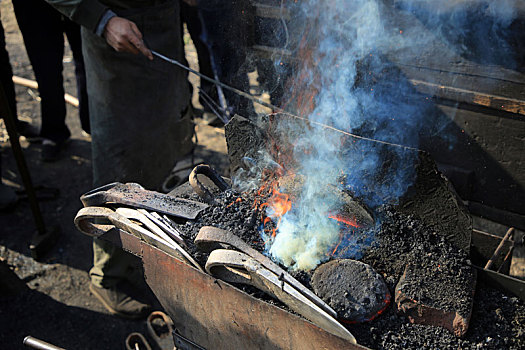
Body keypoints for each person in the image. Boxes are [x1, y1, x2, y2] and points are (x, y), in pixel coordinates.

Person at [44, 0, 194, 318]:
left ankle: (145, 251)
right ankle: (108, 276)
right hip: (116, 41)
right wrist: (102, 20)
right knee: (121, 166)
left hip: (163, 31)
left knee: (163, 151)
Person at [12, 0, 90, 161]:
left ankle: (93, 125)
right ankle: (54, 132)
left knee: (87, 60)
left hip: (81, 2)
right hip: (34, 5)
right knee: (45, 66)